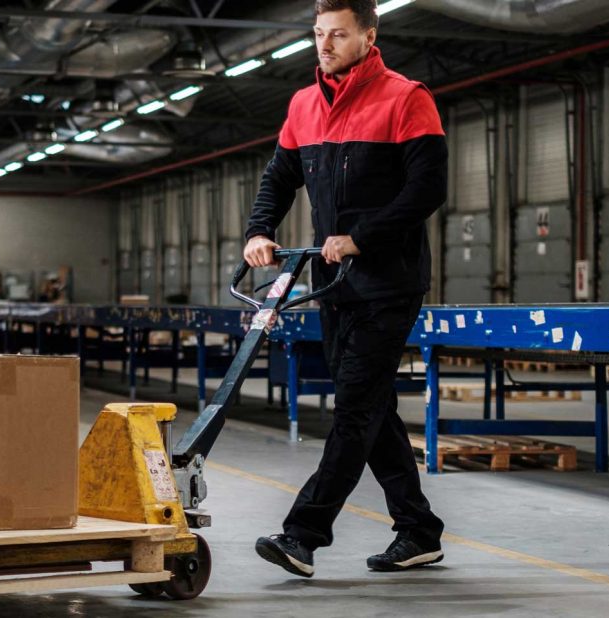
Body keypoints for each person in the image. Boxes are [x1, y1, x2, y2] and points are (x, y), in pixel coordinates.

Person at [246, 0, 448, 578]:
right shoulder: (303, 104)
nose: (325, 45)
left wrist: (361, 237)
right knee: (372, 404)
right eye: (318, 33)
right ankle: (418, 530)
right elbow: (279, 177)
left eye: (338, 34)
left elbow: (427, 189)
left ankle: (303, 534)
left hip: (390, 282)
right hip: (333, 284)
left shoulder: (406, 98)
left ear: (368, 36)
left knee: (355, 407)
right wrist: (259, 230)